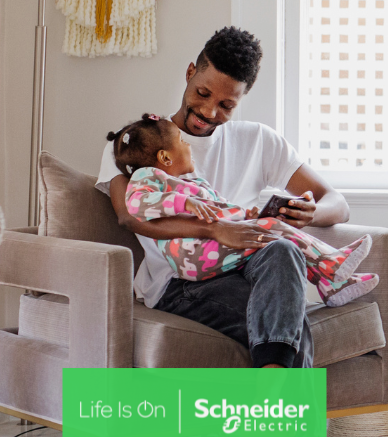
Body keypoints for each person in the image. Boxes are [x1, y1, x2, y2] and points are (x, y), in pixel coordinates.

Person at [97, 27, 350, 368]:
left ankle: (270, 409)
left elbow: (337, 203)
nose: (209, 111)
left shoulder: (259, 140)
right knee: (286, 324)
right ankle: (285, 416)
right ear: (190, 73)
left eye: (226, 105)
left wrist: (311, 212)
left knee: (285, 252)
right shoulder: (138, 144)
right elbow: (129, 217)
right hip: (182, 281)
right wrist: (214, 229)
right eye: (202, 93)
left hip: (248, 266)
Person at [105, 113, 378, 306]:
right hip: (191, 255)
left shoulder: (195, 183)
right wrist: (185, 203)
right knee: (275, 232)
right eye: (183, 142)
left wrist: (246, 216)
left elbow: (220, 210)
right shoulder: (151, 177)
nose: (189, 144)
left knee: (276, 231)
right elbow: (137, 205)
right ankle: (332, 264)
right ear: (165, 157)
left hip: (207, 249)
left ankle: (330, 281)